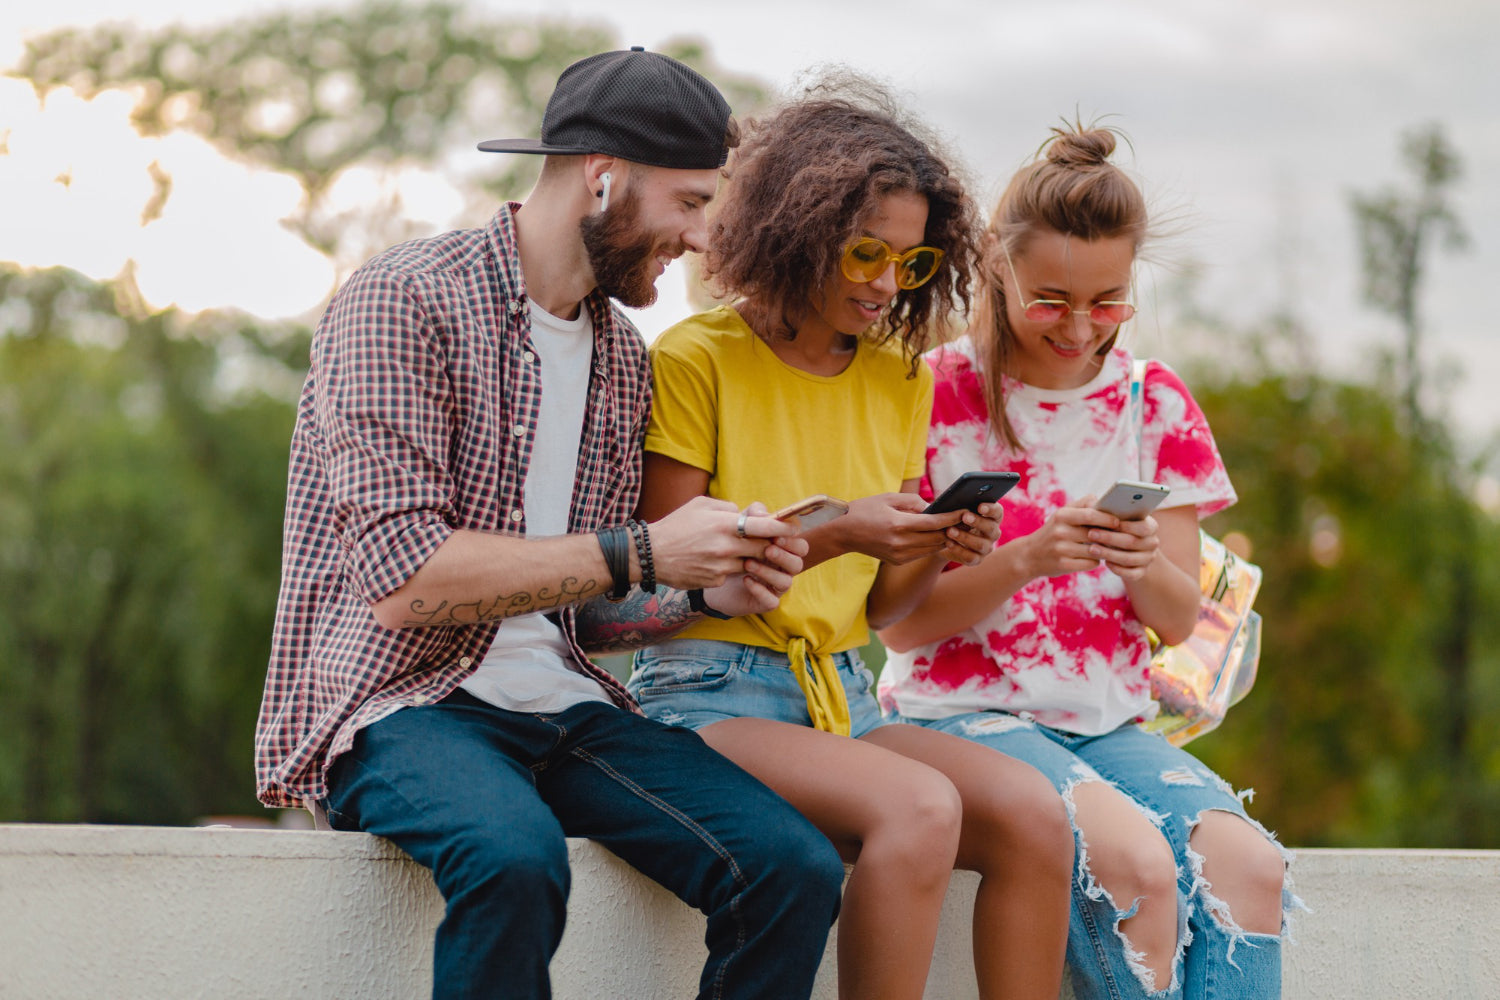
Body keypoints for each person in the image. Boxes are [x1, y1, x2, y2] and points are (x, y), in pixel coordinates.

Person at [253, 48, 847, 1000]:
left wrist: (700, 591)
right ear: (603, 176)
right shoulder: (401, 300)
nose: (701, 239)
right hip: (400, 705)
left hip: (562, 705)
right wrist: (648, 550)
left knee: (794, 867)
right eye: (690, 203)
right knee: (517, 859)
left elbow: (584, 605)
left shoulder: (621, 359)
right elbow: (409, 585)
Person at [627, 79, 1073, 1000]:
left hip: (842, 697)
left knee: (1035, 815)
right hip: (707, 690)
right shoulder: (696, 358)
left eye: (909, 265)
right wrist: (837, 533)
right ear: (797, 228)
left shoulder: (898, 380)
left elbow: (885, 611)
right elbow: (667, 585)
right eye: (865, 252)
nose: (883, 284)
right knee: (917, 806)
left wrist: (933, 545)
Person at [876, 123, 1294, 1000]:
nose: (1078, 329)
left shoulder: (1156, 402)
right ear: (997, 264)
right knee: (1137, 865)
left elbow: (1178, 622)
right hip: (961, 714)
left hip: (1109, 724)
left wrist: (1141, 562)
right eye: (1051, 299)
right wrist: (1024, 559)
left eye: (1108, 303)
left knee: (1250, 870)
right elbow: (904, 626)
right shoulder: (927, 392)